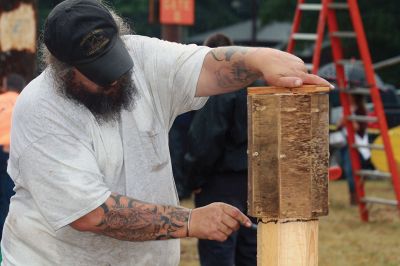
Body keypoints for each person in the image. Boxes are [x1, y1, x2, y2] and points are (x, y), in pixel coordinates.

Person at [1, 0, 330, 265]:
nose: (114, 79)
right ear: (63, 70)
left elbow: (211, 67)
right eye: (98, 74)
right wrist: (188, 221)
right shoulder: (41, 109)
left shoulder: (141, 55)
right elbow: (89, 213)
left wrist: (261, 59)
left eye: (115, 62)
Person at [184, 33, 257, 266]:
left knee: (219, 250)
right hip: (254, 181)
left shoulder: (218, 91)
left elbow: (205, 140)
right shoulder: (255, 86)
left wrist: (193, 178)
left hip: (220, 181)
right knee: (250, 251)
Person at [0, 73, 25, 240]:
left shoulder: (1, 99)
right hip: (11, 151)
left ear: (5, 86)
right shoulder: (24, 101)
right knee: (9, 195)